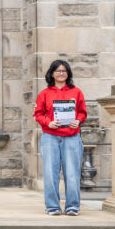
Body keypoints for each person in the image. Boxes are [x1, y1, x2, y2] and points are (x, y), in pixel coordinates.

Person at [33, 60, 87, 216]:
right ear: (52, 74)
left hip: (71, 137)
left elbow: (82, 112)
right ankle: (52, 206)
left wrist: (78, 121)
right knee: (50, 173)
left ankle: (73, 206)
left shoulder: (76, 92)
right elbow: (38, 114)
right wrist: (48, 123)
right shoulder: (44, 93)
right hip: (50, 137)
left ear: (68, 73)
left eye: (64, 71)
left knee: (72, 173)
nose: (61, 73)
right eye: (58, 71)